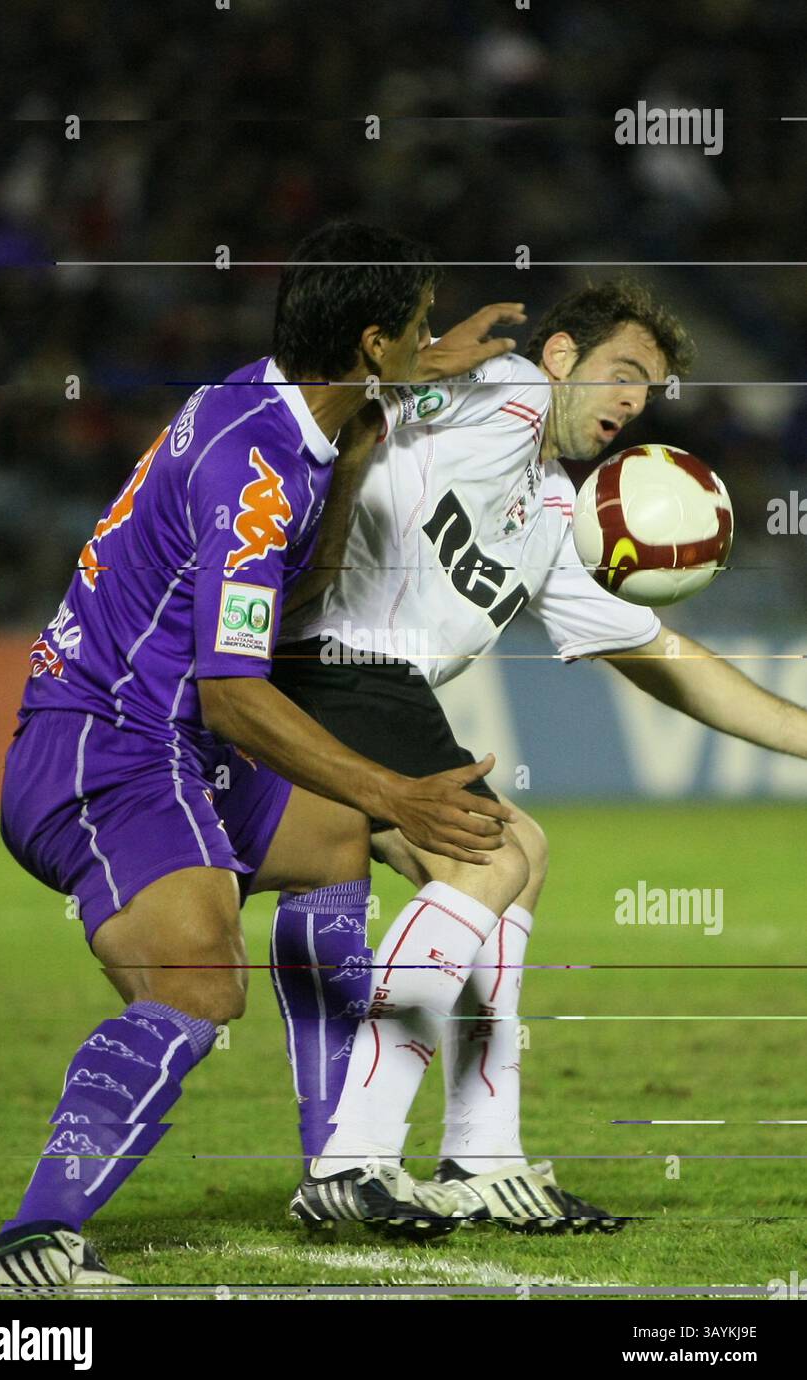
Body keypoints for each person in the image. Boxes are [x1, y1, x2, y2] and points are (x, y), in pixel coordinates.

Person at [0, 220, 523, 1288]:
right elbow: (231, 697)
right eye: (410, 334)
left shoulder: (272, 404)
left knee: (328, 841)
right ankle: (31, 1238)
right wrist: (395, 786)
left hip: (153, 731)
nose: (422, 348)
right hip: (103, 745)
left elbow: (288, 593)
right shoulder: (256, 469)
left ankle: (336, 1164)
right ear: (365, 344)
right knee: (197, 982)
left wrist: (380, 419)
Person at [270, 278, 807, 1234]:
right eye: (623, 375)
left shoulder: (555, 514)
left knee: (522, 857)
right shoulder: (504, 387)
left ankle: (484, 1161)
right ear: (560, 359)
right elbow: (363, 390)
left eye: (651, 393)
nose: (635, 405)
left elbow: (665, 658)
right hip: (334, 658)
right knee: (489, 856)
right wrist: (422, 363)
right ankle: (351, 1163)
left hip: (378, 686)